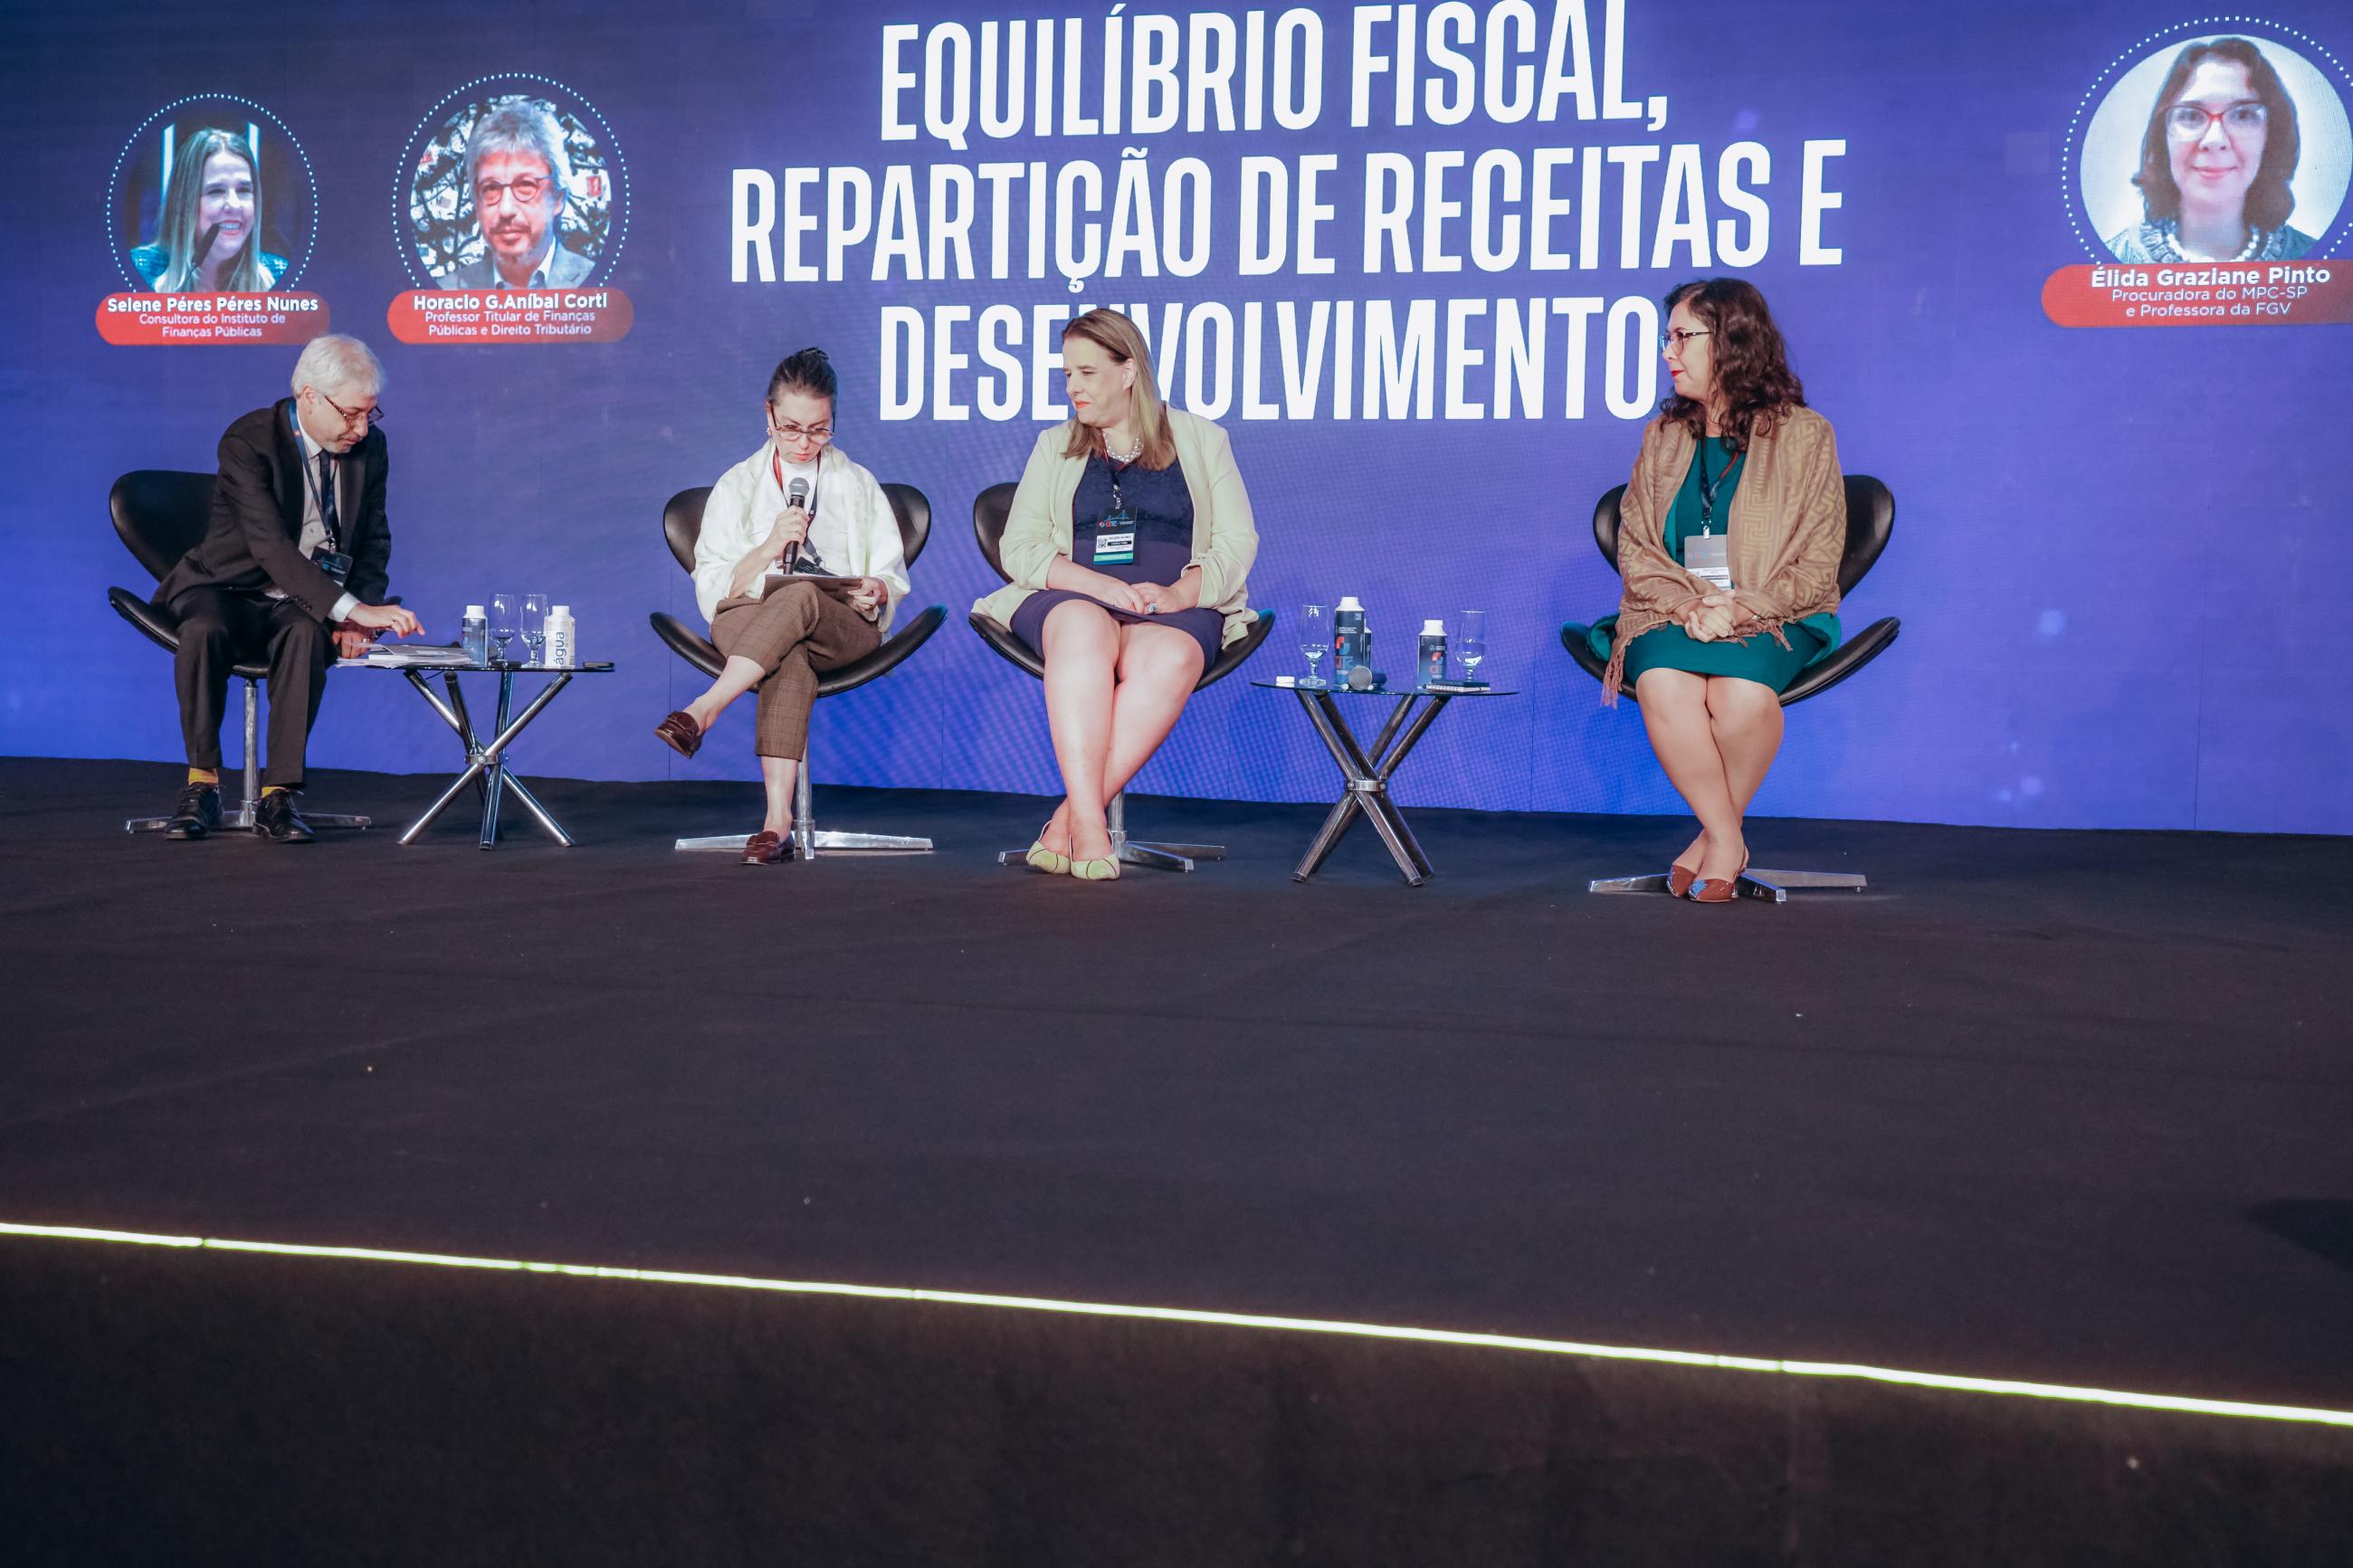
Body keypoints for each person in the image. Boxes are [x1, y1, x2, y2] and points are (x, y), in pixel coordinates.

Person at [972, 308, 1259, 881]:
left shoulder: (1204, 439)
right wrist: (1099, 585)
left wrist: (1180, 594)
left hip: (1171, 606)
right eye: (1067, 375)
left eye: (1087, 373)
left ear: (1129, 373)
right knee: (1083, 624)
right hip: (1072, 595)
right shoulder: (1054, 445)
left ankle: (1067, 822)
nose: (1072, 388)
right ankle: (1090, 825)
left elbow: (1236, 541)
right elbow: (1019, 547)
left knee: (1172, 656)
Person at [1595, 280, 1843, 905]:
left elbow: (1817, 565)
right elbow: (1636, 547)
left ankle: (1708, 839)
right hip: (1669, 612)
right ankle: (1727, 839)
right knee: (1661, 681)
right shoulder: (1663, 436)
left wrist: (1739, 606)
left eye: (1682, 337)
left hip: (1774, 614)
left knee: (1740, 697)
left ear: (1732, 340)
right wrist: (1688, 606)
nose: (1667, 352)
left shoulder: (1806, 435)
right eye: (1667, 338)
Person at [152, 335, 424, 842]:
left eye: (370, 414)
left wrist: (354, 616)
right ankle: (201, 785)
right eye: (351, 415)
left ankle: (279, 795)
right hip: (226, 587)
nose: (362, 429)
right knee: (204, 630)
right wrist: (352, 608)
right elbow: (270, 547)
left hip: (304, 598)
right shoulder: (248, 441)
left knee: (304, 634)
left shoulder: (371, 448)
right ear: (309, 396)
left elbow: (373, 537)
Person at [653, 348, 910, 865]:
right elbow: (716, 586)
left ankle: (704, 709)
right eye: (791, 428)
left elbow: (889, 571)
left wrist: (878, 589)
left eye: (819, 430)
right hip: (746, 618)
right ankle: (777, 824)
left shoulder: (857, 483)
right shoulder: (737, 484)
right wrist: (770, 546)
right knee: (787, 653)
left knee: (802, 593)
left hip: (840, 625)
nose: (804, 443)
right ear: (768, 415)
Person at [2104, 37, 2316, 262]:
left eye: (2243, 115)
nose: (2215, 140)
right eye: (2191, 116)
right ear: (2163, 137)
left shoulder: (2320, 262)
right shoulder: (2111, 260)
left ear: (2271, 137)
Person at [434, 100, 594, 290]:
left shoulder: (596, 286)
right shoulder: (444, 293)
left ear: (558, 199)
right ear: (476, 202)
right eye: (491, 188)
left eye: (525, 185)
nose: (506, 209)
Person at [129, 128, 288, 293]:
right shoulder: (140, 270)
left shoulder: (279, 275)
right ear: (184, 204)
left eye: (244, 190)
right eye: (216, 191)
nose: (234, 205)